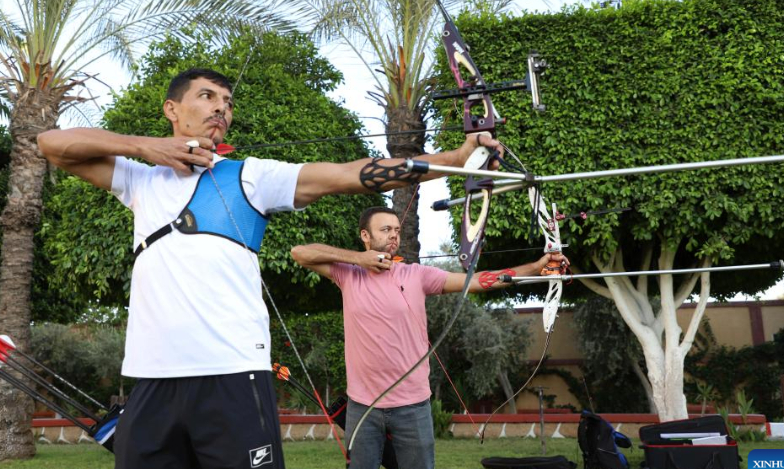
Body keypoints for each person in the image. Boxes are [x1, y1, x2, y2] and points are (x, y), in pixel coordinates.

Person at [37, 68, 504, 469]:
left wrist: (456, 161)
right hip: (152, 380)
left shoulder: (250, 177)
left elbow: (351, 174)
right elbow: (52, 144)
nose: (221, 108)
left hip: (232, 375)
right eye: (207, 97)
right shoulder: (139, 179)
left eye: (227, 102)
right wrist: (148, 148)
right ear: (172, 110)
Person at [290, 206, 569, 469]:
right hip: (363, 407)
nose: (394, 236)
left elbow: (476, 280)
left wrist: (535, 268)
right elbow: (300, 252)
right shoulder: (348, 275)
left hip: (412, 407)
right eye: (385, 229)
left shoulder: (416, 275)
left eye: (397, 230)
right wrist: (358, 258)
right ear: (365, 236)